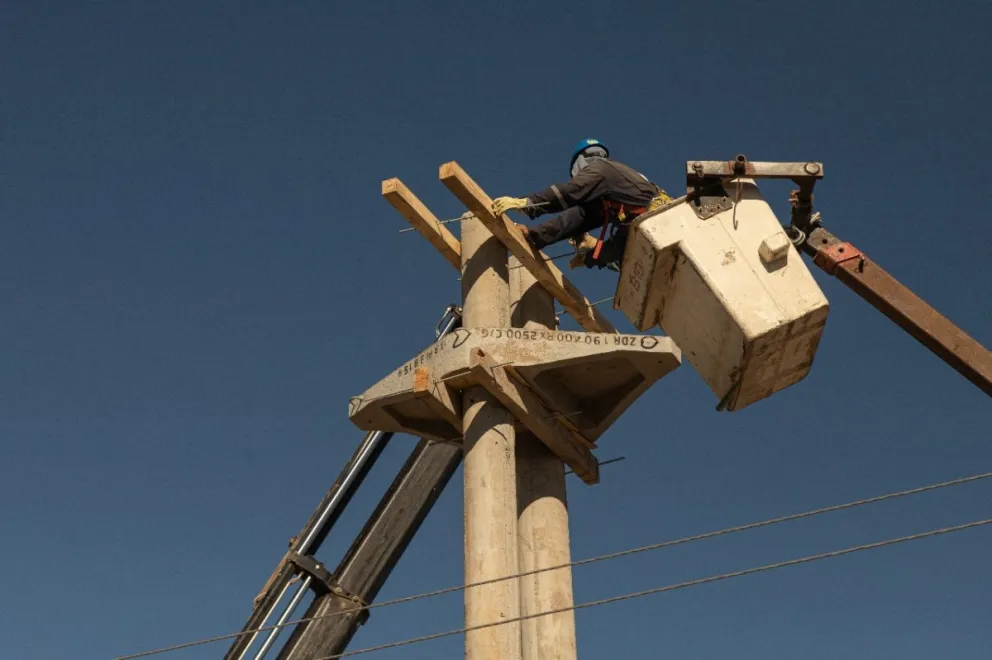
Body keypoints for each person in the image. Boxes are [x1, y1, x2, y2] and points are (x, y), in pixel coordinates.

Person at [491, 138, 670, 270]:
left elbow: (570, 191)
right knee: (622, 258)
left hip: (661, 228)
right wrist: (535, 236)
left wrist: (527, 203)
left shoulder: (602, 169)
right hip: (654, 234)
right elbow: (577, 218)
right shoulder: (613, 196)